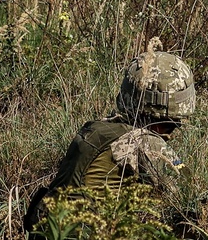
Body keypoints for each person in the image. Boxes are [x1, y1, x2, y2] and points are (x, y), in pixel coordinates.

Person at [23, 48, 196, 235]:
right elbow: (186, 197)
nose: (171, 133)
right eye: (172, 126)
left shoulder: (97, 128)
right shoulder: (143, 141)